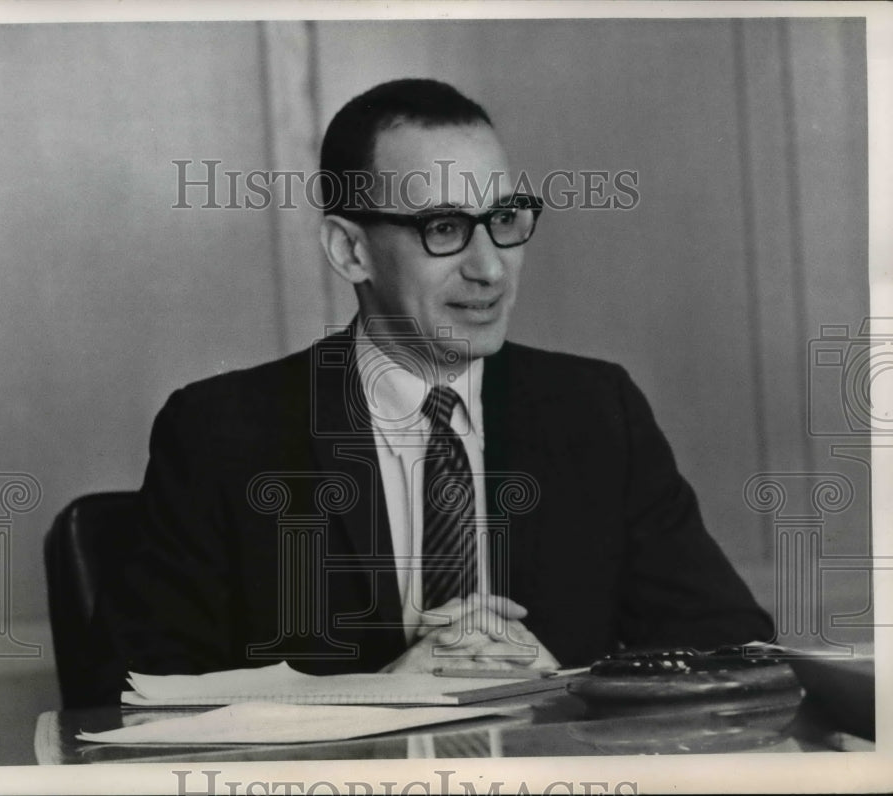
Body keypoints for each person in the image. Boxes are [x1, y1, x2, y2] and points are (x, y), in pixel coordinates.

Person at [87, 78, 772, 705]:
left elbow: (732, 646)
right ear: (351, 251)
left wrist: (565, 678)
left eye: (505, 220)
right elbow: (132, 695)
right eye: (444, 229)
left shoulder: (596, 410)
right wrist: (373, 695)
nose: (490, 268)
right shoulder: (221, 433)